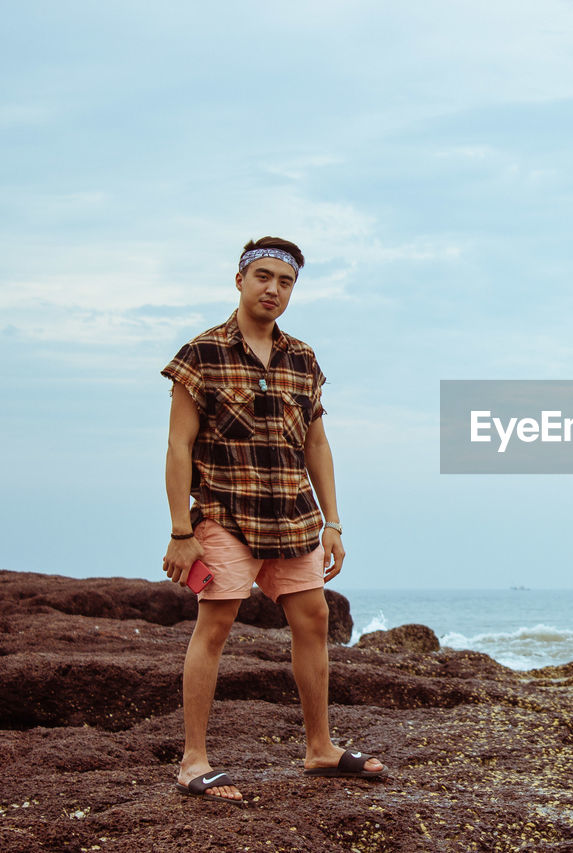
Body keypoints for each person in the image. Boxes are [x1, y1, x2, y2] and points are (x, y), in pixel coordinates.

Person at [161, 236, 385, 805]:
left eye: (285, 282)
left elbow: (317, 443)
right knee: (215, 626)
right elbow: (178, 447)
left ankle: (320, 749)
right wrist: (180, 532)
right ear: (240, 280)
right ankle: (193, 762)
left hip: (293, 514)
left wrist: (333, 523)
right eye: (263, 276)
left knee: (312, 619)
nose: (273, 289)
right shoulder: (202, 354)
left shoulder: (303, 358)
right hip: (225, 514)